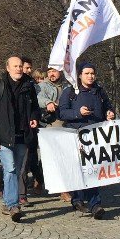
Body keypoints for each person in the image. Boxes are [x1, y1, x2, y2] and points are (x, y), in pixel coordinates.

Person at [0, 56, 40, 221]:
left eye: (20, 66)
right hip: (4, 137)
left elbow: (35, 108)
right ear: (7, 68)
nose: (18, 68)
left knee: (16, 171)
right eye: (15, 66)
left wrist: (34, 117)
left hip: (23, 136)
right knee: (9, 169)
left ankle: (7, 201)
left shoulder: (29, 86)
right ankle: (13, 205)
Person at [59, 62, 115, 220]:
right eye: (87, 73)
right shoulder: (70, 92)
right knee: (80, 169)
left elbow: (108, 106)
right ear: (79, 75)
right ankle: (77, 198)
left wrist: (110, 113)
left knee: (93, 169)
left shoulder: (99, 91)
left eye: (92, 73)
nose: (90, 76)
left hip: (96, 135)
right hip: (76, 135)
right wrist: (78, 113)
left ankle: (95, 204)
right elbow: (62, 113)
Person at [36, 66, 72, 201]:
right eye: (49, 71)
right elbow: (39, 98)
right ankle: (41, 179)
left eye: (54, 71)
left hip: (67, 123)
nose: (51, 74)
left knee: (65, 157)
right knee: (51, 157)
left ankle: (64, 187)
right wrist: (48, 102)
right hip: (51, 123)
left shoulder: (68, 86)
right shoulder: (43, 86)